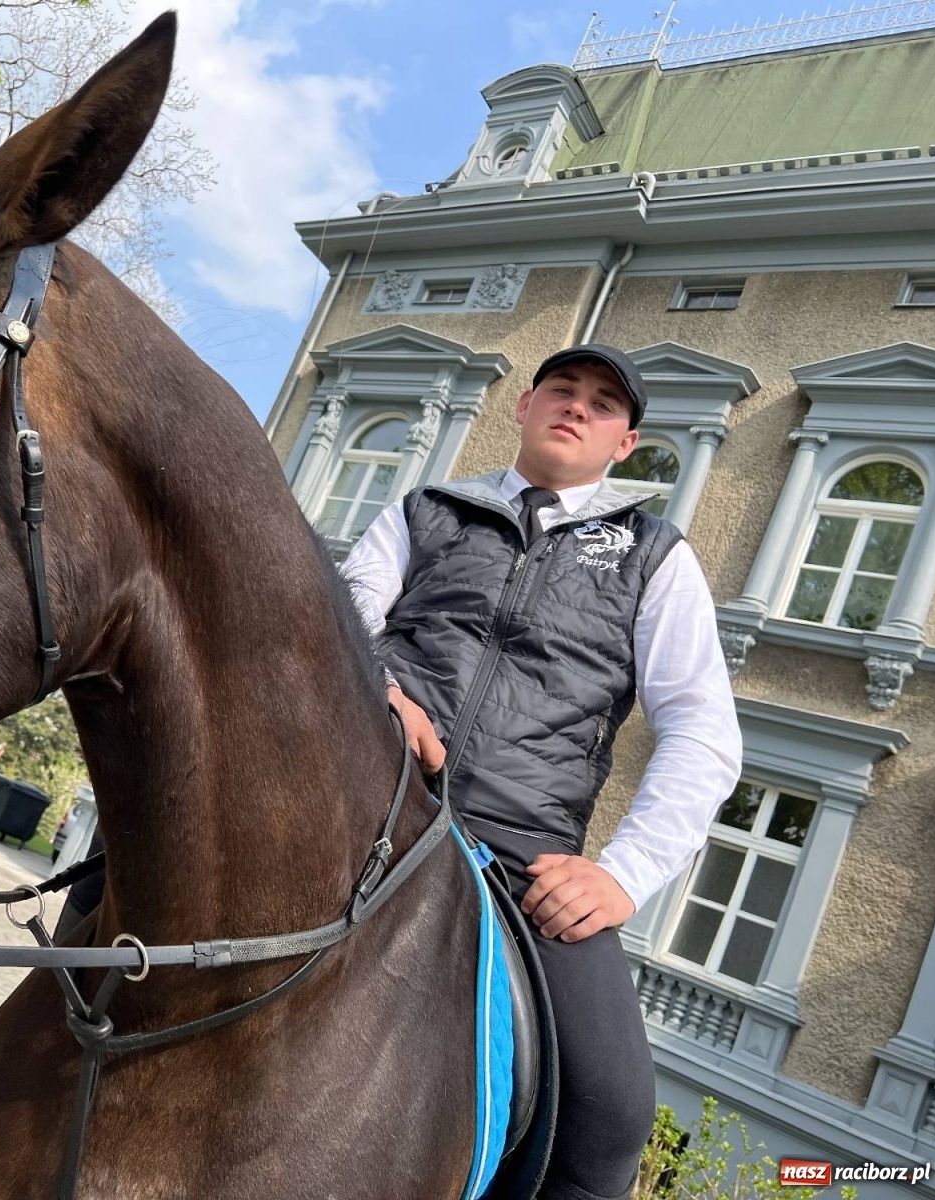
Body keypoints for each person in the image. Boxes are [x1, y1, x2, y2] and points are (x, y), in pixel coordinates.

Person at [343, 343, 742, 1200]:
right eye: (562, 389)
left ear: (625, 446)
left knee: (610, 1116)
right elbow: (337, 618)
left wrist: (621, 878)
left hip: (525, 849)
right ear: (523, 406)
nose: (577, 407)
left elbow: (705, 734)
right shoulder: (426, 511)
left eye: (603, 404)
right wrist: (377, 688)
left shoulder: (653, 554)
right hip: (374, 786)